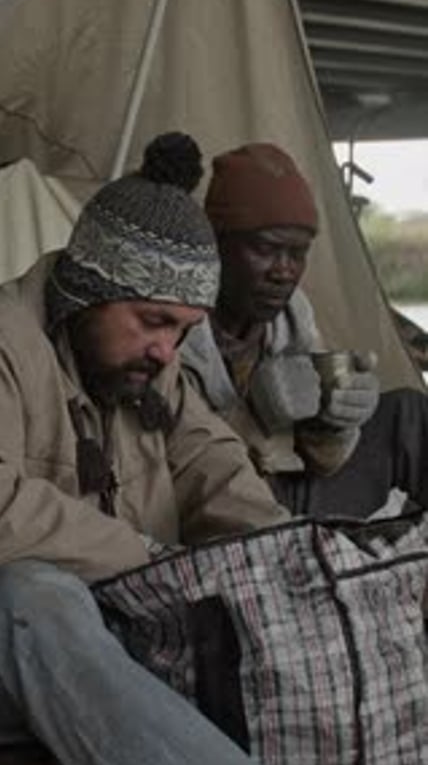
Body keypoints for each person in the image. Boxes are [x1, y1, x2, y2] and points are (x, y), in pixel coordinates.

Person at [0, 133, 309, 765]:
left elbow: (211, 464)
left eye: (185, 329)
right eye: (152, 321)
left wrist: (286, 551)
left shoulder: (152, 364)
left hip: (127, 636)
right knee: (30, 595)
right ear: (87, 292)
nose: (166, 349)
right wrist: (139, 557)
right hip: (0, 663)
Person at [181, 141, 428, 518]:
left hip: (290, 484)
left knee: (408, 413)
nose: (284, 271)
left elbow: (323, 463)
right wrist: (252, 415)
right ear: (217, 242)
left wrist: (334, 422)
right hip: (226, 506)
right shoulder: (176, 322)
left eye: (297, 254)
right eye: (265, 249)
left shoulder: (292, 315)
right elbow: (177, 459)